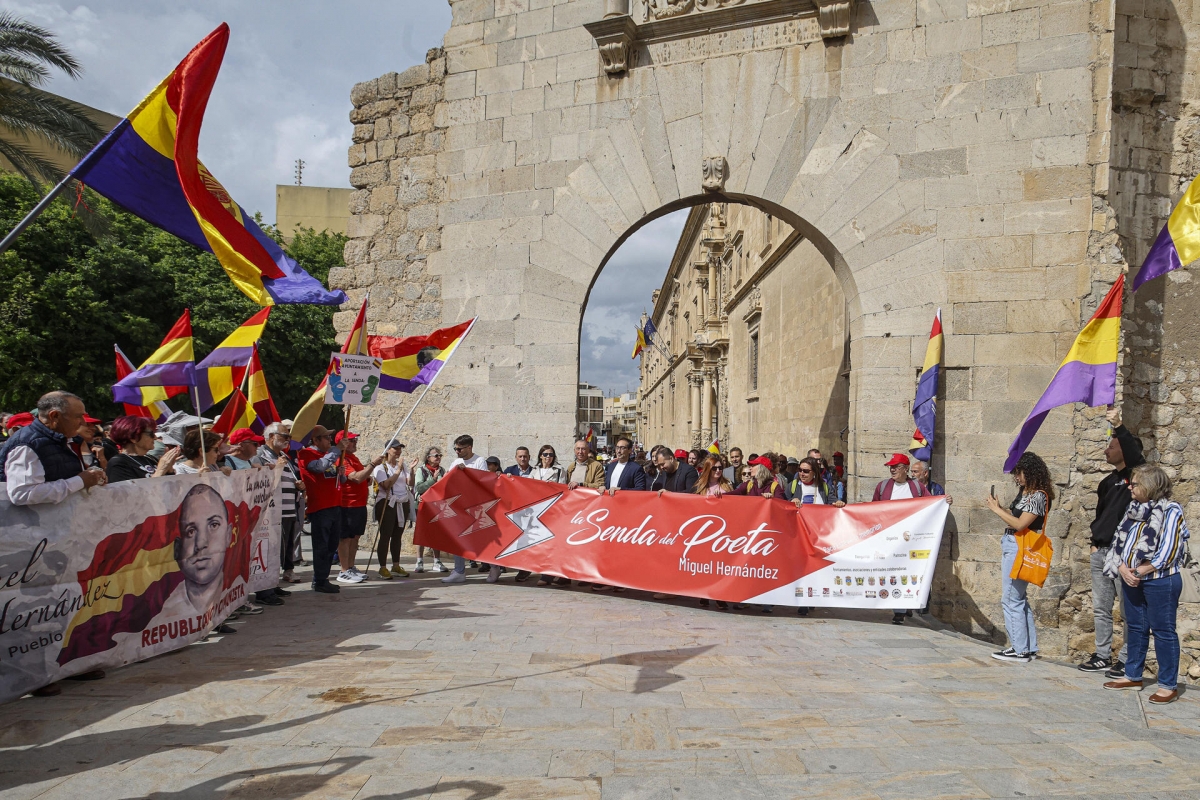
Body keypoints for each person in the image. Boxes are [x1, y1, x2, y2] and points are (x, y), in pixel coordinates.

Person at [1102, 464, 1189, 704]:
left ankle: (1168, 685)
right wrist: (1121, 567)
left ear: (1150, 486)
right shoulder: (1134, 509)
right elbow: (1119, 541)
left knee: (1163, 631)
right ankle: (1133, 675)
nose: (1131, 486)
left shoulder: (1171, 510)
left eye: (1136, 483)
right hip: (1131, 579)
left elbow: (1169, 549)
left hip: (1160, 581)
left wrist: (1140, 570)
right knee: (1137, 628)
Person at [1078, 409, 1144, 677]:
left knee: (1128, 611)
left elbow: (1135, 455)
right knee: (1101, 609)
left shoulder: (1135, 478)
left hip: (1125, 556)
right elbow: (1101, 516)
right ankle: (1102, 655)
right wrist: (1095, 544)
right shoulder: (1107, 482)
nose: (1106, 450)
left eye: (1112, 445)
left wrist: (1118, 425)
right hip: (1100, 553)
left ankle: (1126, 659)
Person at [985, 451, 1054, 662]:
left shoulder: (1038, 496)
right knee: (1019, 599)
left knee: (1010, 599)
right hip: (1014, 545)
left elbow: (1020, 524)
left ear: (1030, 472)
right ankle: (1028, 646)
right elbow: (1016, 517)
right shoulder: (1026, 494)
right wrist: (1003, 508)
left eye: (1018, 472)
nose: (1016, 477)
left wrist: (997, 510)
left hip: (1020, 547)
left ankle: (1019, 648)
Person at [0, 391, 107, 505]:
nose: (83, 422)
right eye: (78, 416)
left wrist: (91, 477)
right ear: (54, 416)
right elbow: (22, 494)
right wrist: (80, 481)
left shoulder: (63, 439)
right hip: (36, 522)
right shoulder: (27, 444)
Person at [253, 422, 303, 584]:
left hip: (289, 508)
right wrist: (277, 468)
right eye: (284, 436)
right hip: (274, 511)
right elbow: (260, 481)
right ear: (271, 437)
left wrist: (298, 486)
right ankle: (269, 583)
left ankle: (286, 573)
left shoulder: (283, 456)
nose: (288, 439)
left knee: (287, 545)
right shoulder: (260, 455)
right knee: (273, 548)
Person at [298, 425, 343, 594]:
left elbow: (338, 479)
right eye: (326, 437)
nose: (329, 441)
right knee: (321, 546)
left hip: (334, 504)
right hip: (321, 506)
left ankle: (323, 578)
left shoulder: (329, 455)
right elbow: (318, 467)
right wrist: (336, 451)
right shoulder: (306, 454)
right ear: (315, 440)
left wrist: (341, 473)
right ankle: (319, 580)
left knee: (332, 545)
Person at [336, 431, 384, 584]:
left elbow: (362, 476)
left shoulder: (353, 458)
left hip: (358, 504)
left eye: (355, 439)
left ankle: (350, 566)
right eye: (351, 440)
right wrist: (372, 465)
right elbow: (356, 478)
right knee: (345, 538)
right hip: (347, 504)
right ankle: (344, 570)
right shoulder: (342, 458)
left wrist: (367, 477)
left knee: (355, 537)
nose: (355, 442)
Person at [442, 434, 489, 584]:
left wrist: (466, 473)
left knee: (482, 540)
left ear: (469, 447)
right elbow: (448, 482)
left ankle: (494, 567)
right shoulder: (456, 461)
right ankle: (459, 570)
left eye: (459, 449)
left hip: (475, 507)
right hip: (459, 506)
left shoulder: (480, 461)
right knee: (458, 538)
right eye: (455, 449)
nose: (457, 451)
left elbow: (483, 482)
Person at [529, 444, 570, 587]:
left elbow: (563, 489)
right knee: (541, 544)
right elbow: (525, 487)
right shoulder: (534, 470)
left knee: (552, 543)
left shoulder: (559, 470)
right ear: (540, 456)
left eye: (551, 455)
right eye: (545, 454)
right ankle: (547, 571)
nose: (548, 457)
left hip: (553, 511)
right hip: (536, 511)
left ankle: (548, 575)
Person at [372, 440, 411, 580]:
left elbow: (409, 483)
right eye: (395, 449)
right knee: (385, 535)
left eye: (400, 448)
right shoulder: (381, 467)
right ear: (388, 450)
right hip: (387, 503)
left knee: (397, 535)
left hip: (402, 502)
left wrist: (410, 469)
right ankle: (383, 567)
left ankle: (396, 565)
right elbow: (386, 485)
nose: (398, 451)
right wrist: (399, 470)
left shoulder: (402, 465)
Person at [105, 416, 180, 482]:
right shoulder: (118, 463)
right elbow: (132, 495)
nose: (155, 437)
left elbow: (171, 490)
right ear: (133, 438)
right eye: (151, 434)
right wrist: (161, 470)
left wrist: (169, 469)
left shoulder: (150, 458)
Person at [412, 446, 448, 573]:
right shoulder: (421, 470)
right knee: (421, 533)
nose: (438, 458)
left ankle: (437, 561)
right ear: (428, 458)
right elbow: (419, 488)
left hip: (437, 507)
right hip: (423, 507)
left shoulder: (442, 470)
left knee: (436, 534)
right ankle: (419, 561)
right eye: (436, 455)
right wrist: (433, 480)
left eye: (439, 455)